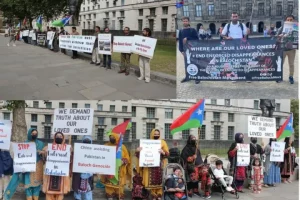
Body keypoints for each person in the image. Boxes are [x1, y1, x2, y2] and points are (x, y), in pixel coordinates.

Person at [5, 128, 44, 200]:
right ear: (29, 134)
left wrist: (42, 153)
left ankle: (36, 198)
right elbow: (19, 154)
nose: (34, 135)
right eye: (33, 133)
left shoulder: (41, 143)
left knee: (37, 184)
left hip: (38, 167)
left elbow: (45, 155)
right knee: (28, 184)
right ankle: (29, 197)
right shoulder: (25, 143)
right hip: (28, 167)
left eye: (35, 133)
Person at [135, 129, 169, 200]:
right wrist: (138, 151)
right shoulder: (146, 143)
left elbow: (167, 154)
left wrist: (163, 152)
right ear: (152, 134)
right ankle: (153, 195)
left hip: (159, 165)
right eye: (155, 134)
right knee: (151, 181)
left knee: (159, 180)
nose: (156, 135)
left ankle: (159, 195)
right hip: (149, 165)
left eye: (158, 134)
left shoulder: (162, 142)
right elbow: (139, 155)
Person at [41, 132, 72, 200]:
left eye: (60, 136)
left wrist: (70, 152)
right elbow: (43, 157)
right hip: (50, 174)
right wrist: (44, 152)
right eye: (57, 136)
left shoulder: (67, 148)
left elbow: (70, 160)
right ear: (54, 137)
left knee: (60, 192)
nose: (59, 137)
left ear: (63, 138)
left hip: (62, 174)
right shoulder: (48, 147)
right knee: (49, 193)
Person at [101, 133, 131, 200]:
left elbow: (127, 156)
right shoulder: (106, 146)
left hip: (119, 168)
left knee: (119, 183)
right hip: (109, 169)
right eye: (110, 137)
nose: (112, 138)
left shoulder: (122, 147)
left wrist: (123, 161)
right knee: (109, 182)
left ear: (117, 137)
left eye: (113, 137)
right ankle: (110, 194)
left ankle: (119, 194)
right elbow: (101, 155)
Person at [221, 12, 249, 83]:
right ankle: (234, 76)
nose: (234, 18)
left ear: (238, 17)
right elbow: (222, 34)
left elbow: (245, 35)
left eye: (236, 16)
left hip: (241, 45)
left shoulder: (242, 25)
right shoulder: (228, 25)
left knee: (244, 61)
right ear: (231, 17)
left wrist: (248, 32)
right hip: (232, 46)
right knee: (233, 61)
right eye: (233, 16)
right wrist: (227, 37)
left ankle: (246, 76)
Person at [178, 17, 200, 84]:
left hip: (193, 49)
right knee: (187, 63)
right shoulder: (181, 31)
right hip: (185, 50)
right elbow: (180, 41)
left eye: (186, 21)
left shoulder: (192, 30)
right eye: (184, 21)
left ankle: (197, 77)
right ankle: (187, 77)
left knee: (194, 63)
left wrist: (187, 38)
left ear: (188, 22)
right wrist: (181, 50)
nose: (185, 22)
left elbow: (196, 39)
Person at [276, 15, 297, 84]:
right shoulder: (282, 28)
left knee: (291, 64)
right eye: (288, 20)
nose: (289, 21)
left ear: (293, 20)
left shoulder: (296, 28)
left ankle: (291, 77)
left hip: (292, 49)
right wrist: (279, 36)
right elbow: (277, 37)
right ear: (286, 20)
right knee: (281, 64)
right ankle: (279, 77)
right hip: (283, 49)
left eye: (291, 20)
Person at [72, 136, 93, 200]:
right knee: (77, 190)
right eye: (85, 140)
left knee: (88, 192)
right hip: (79, 174)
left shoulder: (94, 151)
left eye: (88, 141)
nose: (86, 142)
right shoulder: (77, 150)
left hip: (89, 174)